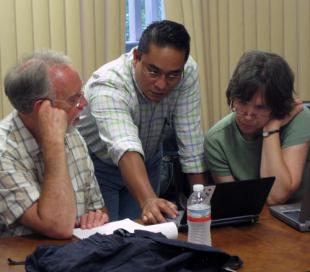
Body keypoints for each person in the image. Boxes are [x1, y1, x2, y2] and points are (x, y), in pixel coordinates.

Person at [78, 20, 207, 224]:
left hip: (148, 161)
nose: (162, 84)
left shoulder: (187, 71)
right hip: (98, 167)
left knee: (143, 237)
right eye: (153, 72)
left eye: (172, 75)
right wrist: (148, 200)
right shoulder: (108, 83)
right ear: (136, 57)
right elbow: (124, 145)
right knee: (107, 240)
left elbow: (190, 139)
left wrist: (203, 203)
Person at [0, 50, 109, 238]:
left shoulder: (72, 134)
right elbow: (58, 226)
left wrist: (96, 217)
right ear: (41, 108)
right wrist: (54, 144)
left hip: (77, 252)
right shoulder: (4, 151)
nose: (84, 103)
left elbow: (99, 208)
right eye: (74, 99)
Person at [205, 50, 310, 205]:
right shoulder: (217, 139)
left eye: (261, 107)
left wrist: (271, 129)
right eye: (242, 102)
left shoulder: (300, 119)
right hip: (253, 221)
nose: (248, 115)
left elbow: (277, 195)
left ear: (278, 105)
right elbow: (236, 204)